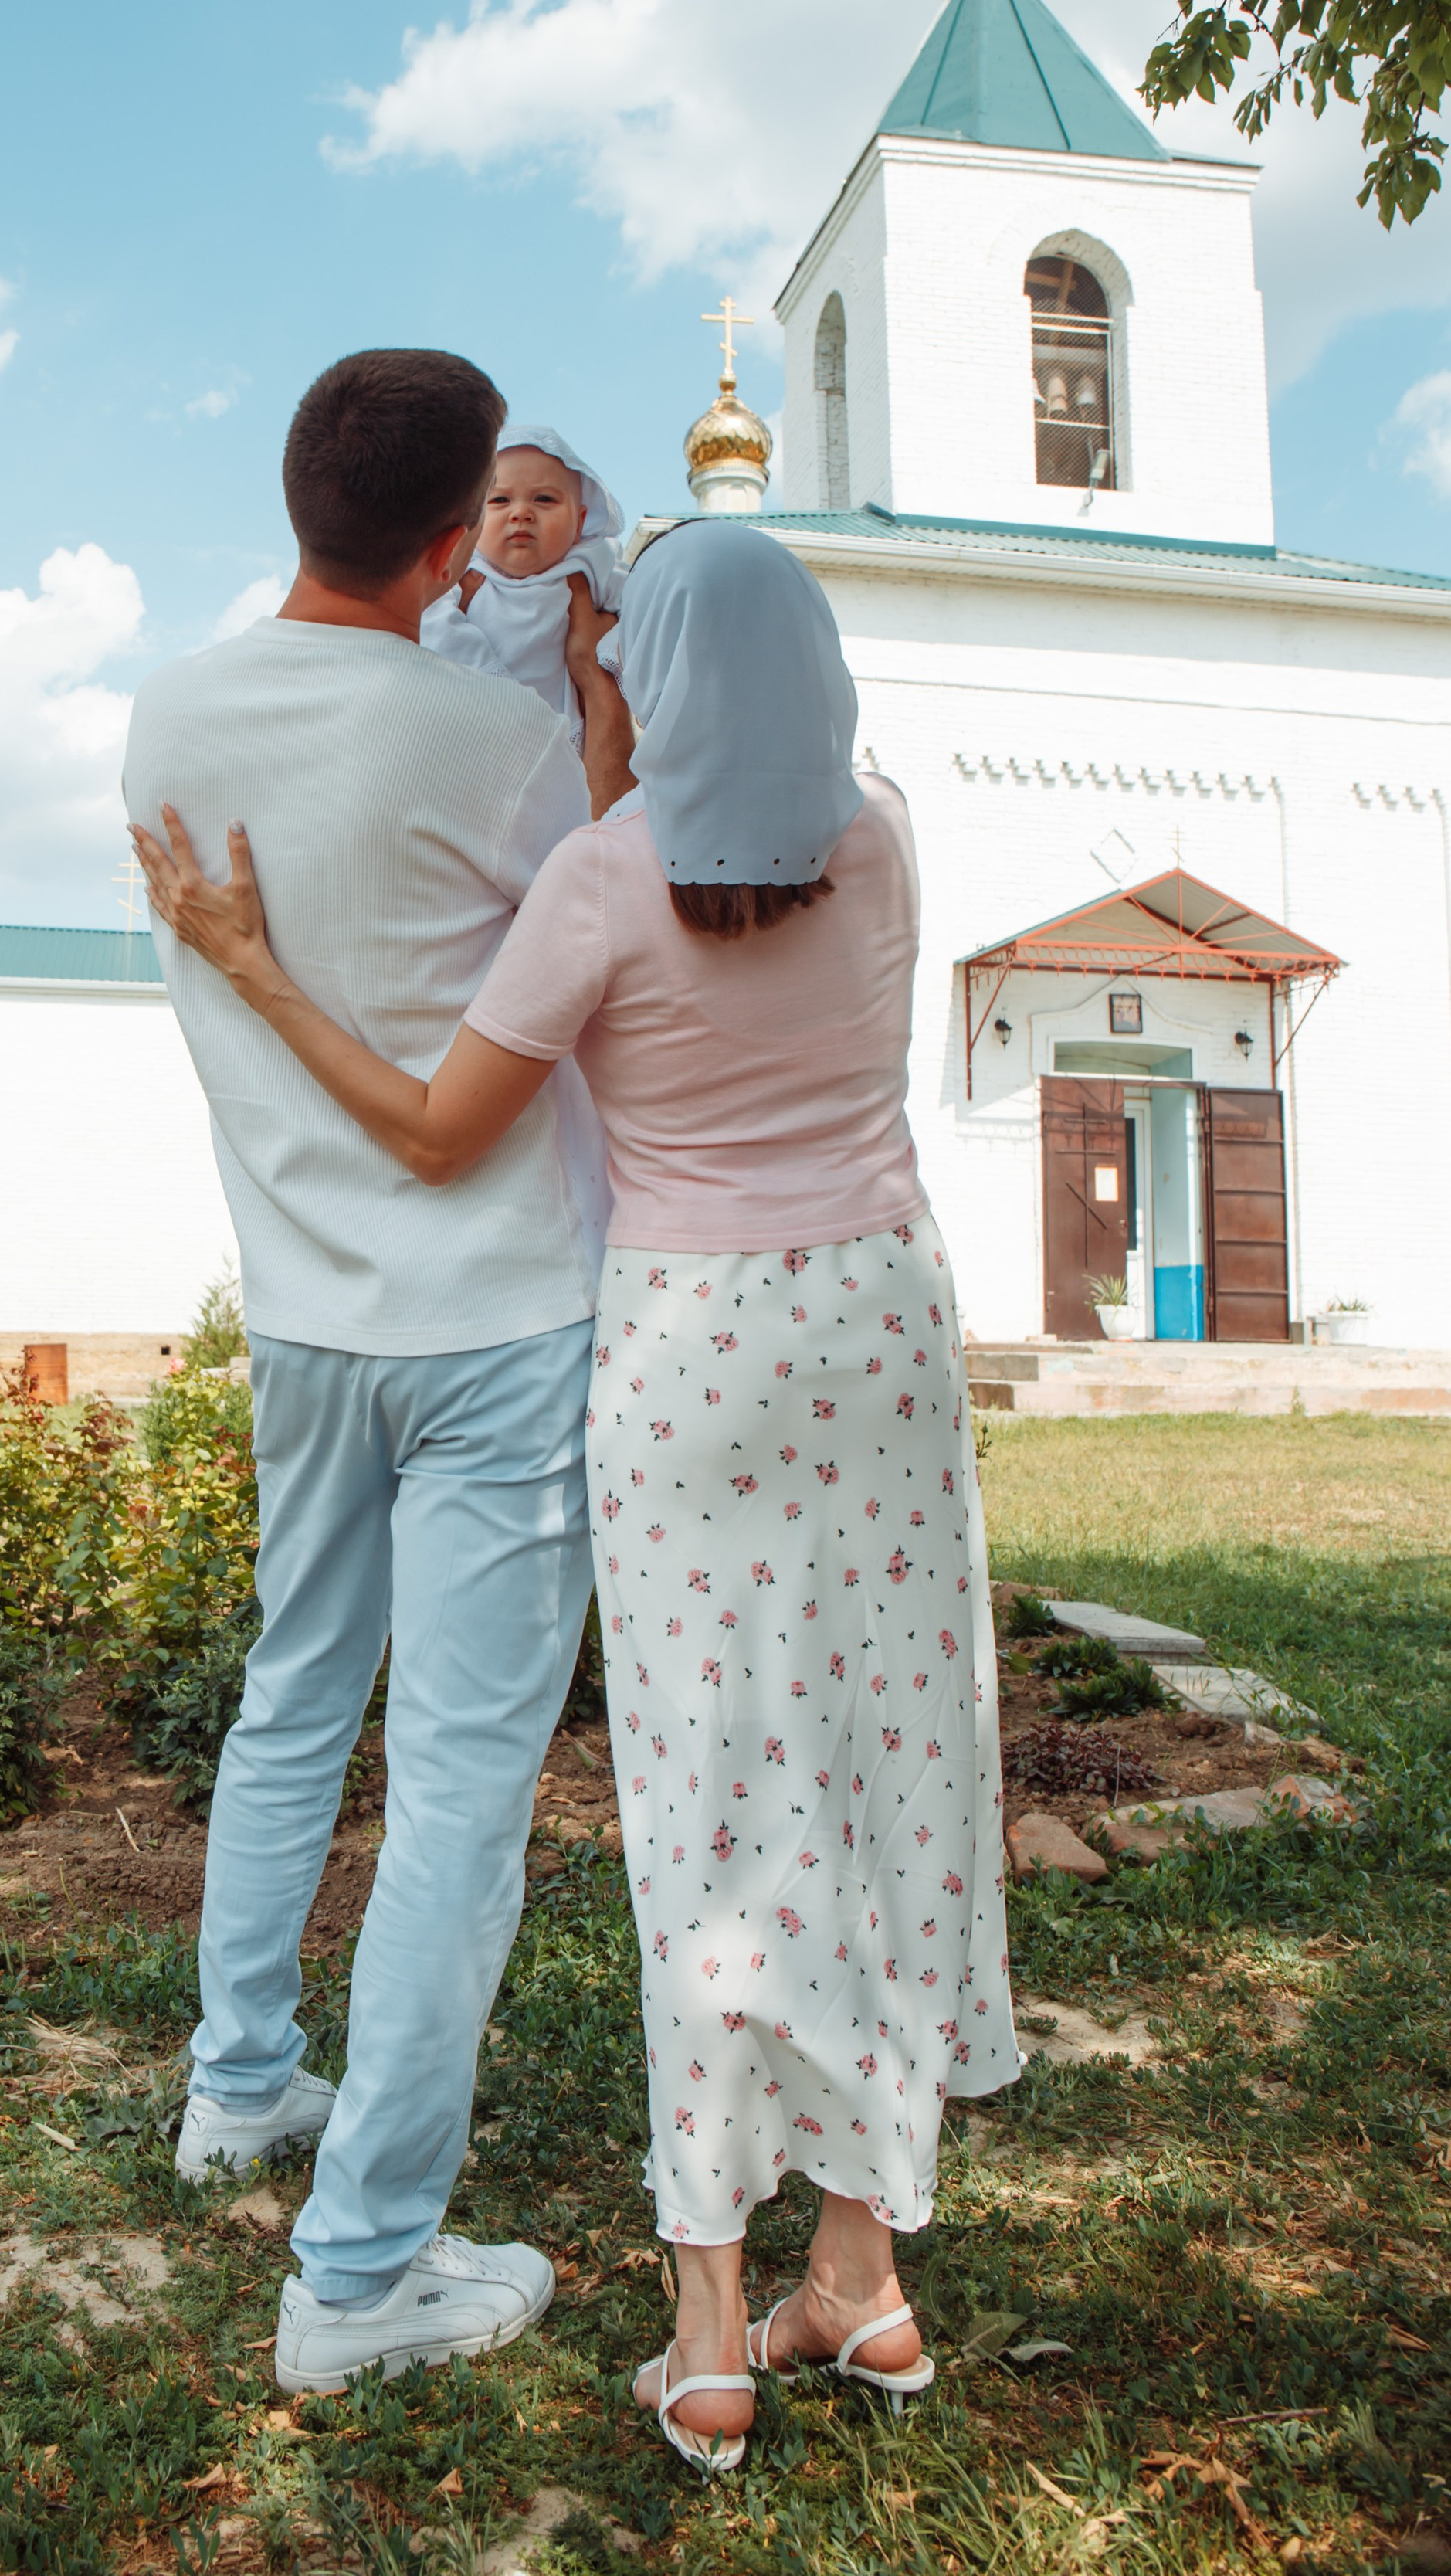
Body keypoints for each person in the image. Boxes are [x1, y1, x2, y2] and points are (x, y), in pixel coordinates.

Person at [134, 518, 1020, 2471]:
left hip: (689, 1349)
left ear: (654, 675)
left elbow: (445, 1138)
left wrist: (252, 965)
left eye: (618, 635)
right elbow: (757, 805)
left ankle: (710, 2325)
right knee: (886, 1770)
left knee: (700, 1805)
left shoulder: (597, 887)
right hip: (877, 1325)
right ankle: (857, 2271)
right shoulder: (876, 833)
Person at [120, 347, 635, 2399]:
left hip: (303, 1305)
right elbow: (605, 941)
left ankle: (240, 2077)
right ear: (457, 543)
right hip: (500, 1316)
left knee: (289, 1696)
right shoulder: (492, 737)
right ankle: (363, 2267)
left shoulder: (164, 713)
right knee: (459, 1797)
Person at [420, 428, 626, 752]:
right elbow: (433, 625)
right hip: (477, 715)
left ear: (580, 523)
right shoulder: (462, 572)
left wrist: (615, 655)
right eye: (500, 500)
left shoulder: (589, 567)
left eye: (544, 499)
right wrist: (492, 679)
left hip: (562, 731)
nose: (521, 513)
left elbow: (636, 610)